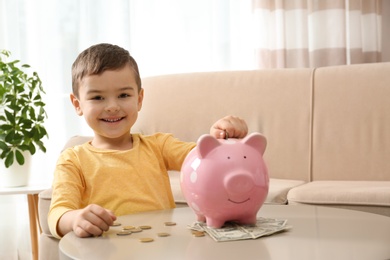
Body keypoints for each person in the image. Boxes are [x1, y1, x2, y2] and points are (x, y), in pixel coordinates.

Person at [48, 43, 248, 239]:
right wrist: (74, 219)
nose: (112, 106)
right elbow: (58, 213)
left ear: (139, 99)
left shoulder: (159, 146)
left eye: (123, 95)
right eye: (98, 98)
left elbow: (205, 158)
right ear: (77, 104)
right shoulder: (72, 160)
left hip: (161, 250)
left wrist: (221, 137)